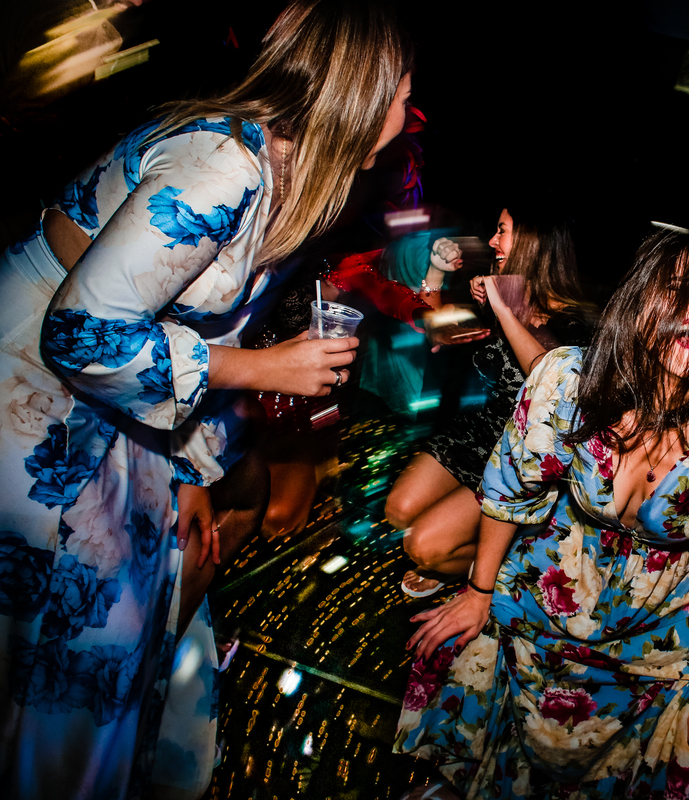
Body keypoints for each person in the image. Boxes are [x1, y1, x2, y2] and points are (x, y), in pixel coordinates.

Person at [0, 1, 418, 796]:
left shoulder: (287, 179)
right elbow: (84, 332)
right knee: (75, 647)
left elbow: (197, 323)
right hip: (29, 398)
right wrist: (272, 371)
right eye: (401, 89)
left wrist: (190, 470)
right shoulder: (224, 163)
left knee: (123, 638)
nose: (406, 109)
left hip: (115, 416)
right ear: (359, 92)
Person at [394, 228, 689, 799]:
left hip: (663, 629)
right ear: (639, 306)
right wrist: (479, 593)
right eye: (682, 290)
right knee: (477, 671)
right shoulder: (566, 381)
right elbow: (509, 489)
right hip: (557, 583)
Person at [385, 206, 594, 596]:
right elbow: (438, 331)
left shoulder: (578, 323)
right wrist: (436, 273)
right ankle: (471, 544)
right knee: (398, 510)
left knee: (424, 547)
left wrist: (504, 306)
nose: (493, 241)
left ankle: (512, 562)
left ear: (535, 242)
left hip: (519, 455)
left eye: (503, 231)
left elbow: (550, 381)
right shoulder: (502, 291)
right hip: (477, 435)